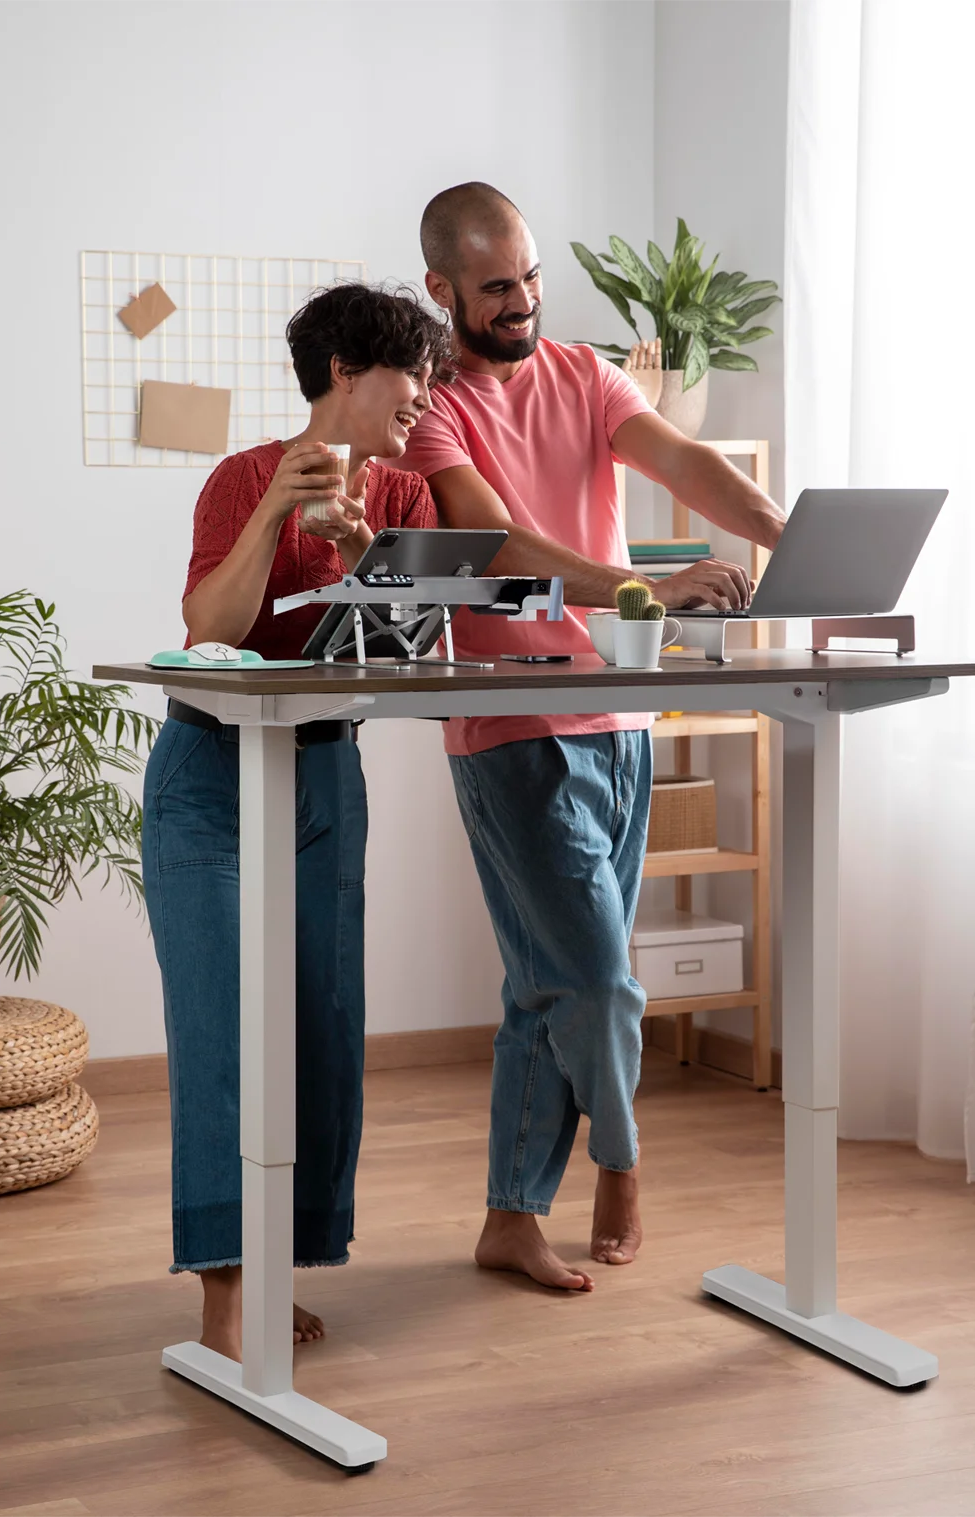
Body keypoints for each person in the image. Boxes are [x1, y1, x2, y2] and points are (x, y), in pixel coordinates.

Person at [395, 183, 786, 1293]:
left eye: (528, 277)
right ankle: (621, 1160)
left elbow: (682, 461)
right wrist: (637, 586)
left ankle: (509, 1216)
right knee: (602, 980)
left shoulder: (582, 372)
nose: (521, 300)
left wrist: (779, 528)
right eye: (495, 287)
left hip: (619, 718)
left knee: (546, 982)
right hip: (511, 728)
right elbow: (496, 539)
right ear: (441, 289)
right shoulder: (432, 409)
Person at [142, 283, 451, 1359]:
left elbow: (406, 654)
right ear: (345, 374)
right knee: (220, 1032)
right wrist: (275, 508)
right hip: (209, 773)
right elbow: (208, 628)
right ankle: (226, 1297)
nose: (424, 400)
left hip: (323, 772)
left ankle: (282, 1261)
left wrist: (366, 553)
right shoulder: (240, 477)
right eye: (411, 377)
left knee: (321, 1024)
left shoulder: (406, 496)